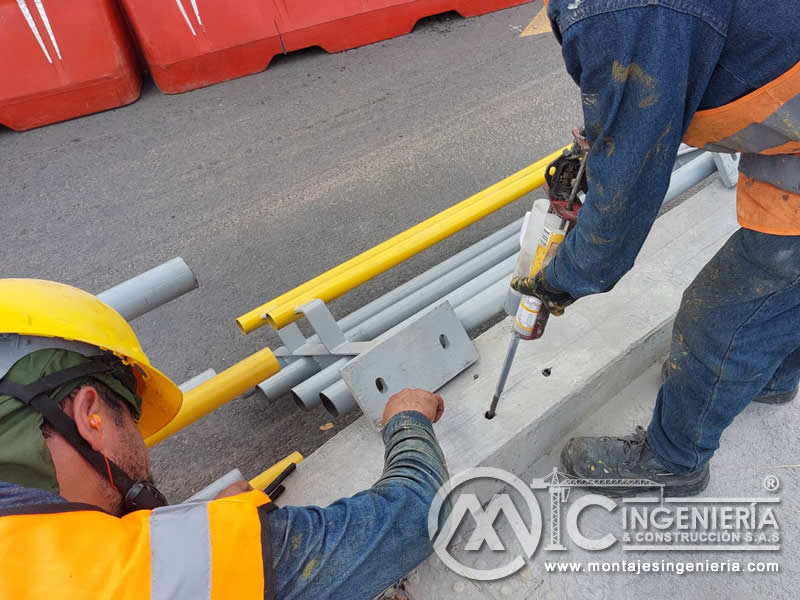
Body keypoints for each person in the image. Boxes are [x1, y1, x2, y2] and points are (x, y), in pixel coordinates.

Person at [0, 278, 449, 599]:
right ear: (90, 417)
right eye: (131, 417)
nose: (142, 443)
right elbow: (414, 516)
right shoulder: (147, 575)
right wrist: (406, 418)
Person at [513, 0, 800, 495]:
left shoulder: (621, 10)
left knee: (720, 317)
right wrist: (611, 137)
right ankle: (769, 374)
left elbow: (621, 209)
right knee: (780, 295)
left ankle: (673, 460)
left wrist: (559, 279)